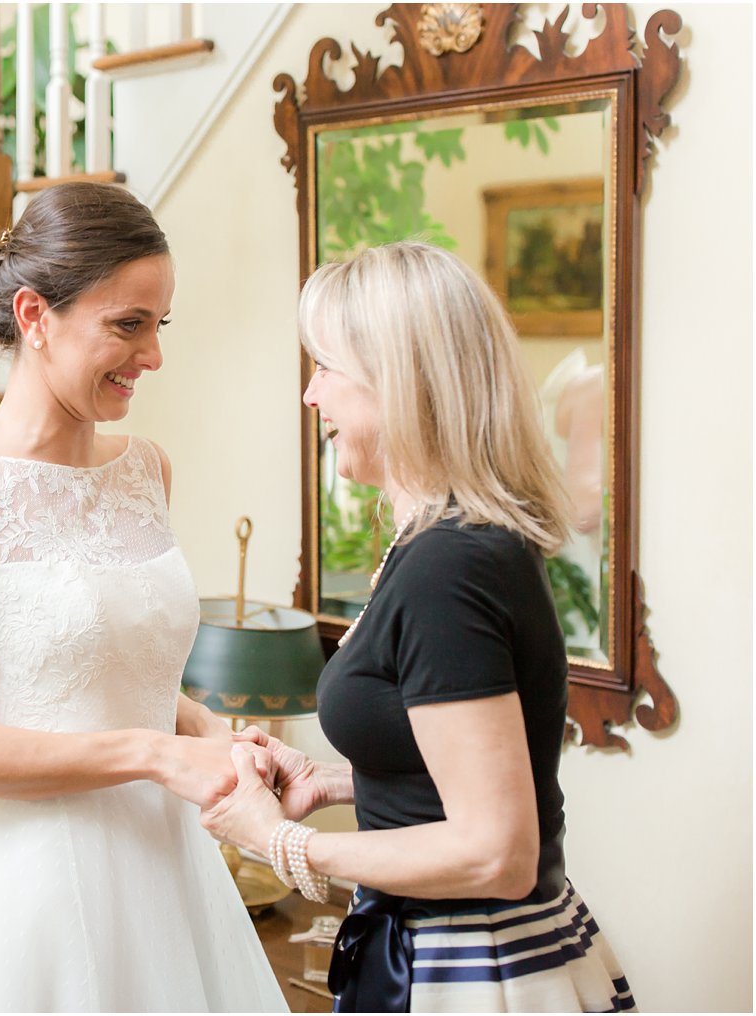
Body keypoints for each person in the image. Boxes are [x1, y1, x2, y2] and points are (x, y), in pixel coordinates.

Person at [0, 181, 287, 1012]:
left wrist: (208, 731)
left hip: (168, 870)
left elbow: (115, 667)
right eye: (127, 325)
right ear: (34, 316)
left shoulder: (149, 470)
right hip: (33, 888)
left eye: (159, 325)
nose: (154, 355)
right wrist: (152, 754)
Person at [201, 241, 635, 1013]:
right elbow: (457, 776)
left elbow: (497, 852)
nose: (311, 395)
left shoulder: (449, 565)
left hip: (467, 971)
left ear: (400, 382)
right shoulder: (446, 544)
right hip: (463, 948)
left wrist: (278, 842)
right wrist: (337, 783)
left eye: (326, 367)